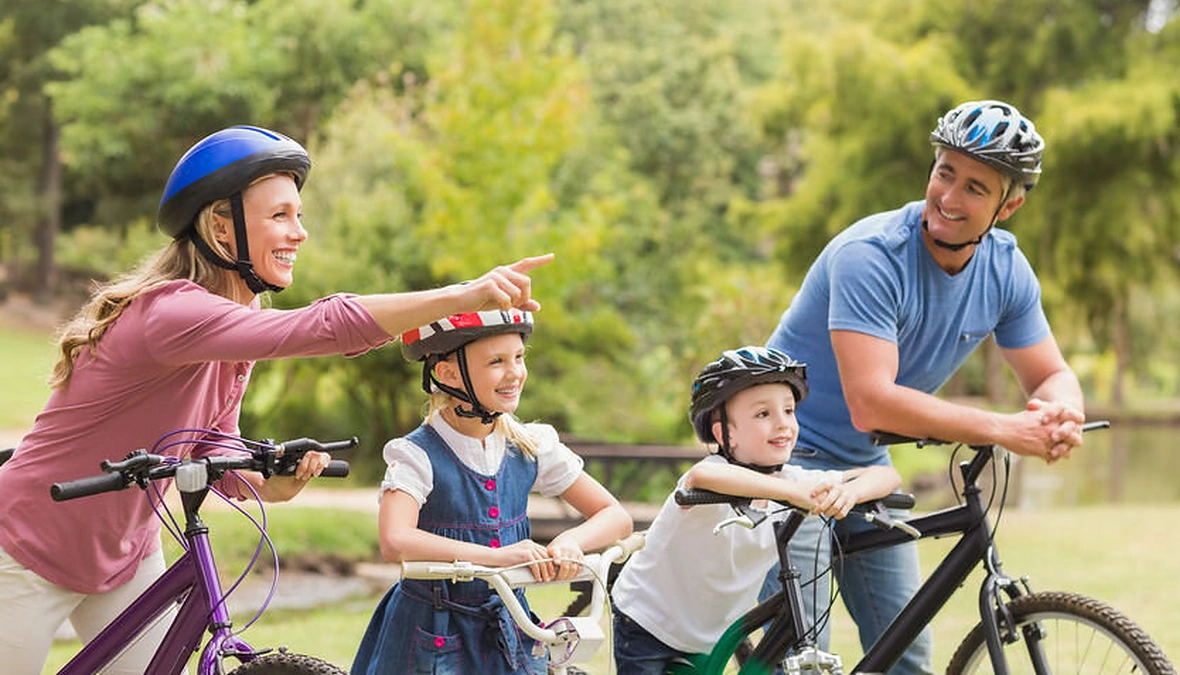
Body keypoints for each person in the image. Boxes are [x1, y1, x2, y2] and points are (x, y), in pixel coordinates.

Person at [0, 124, 553, 675]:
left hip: (123, 556)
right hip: (24, 547)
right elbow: (320, 326)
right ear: (222, 227)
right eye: (280, 215)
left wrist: (269, 484)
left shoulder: (235, 324)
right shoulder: (170, 313)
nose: (299, 233)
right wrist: (462, 297)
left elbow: (209, 443)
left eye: (299, 215)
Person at [762, 100, 1087, 674]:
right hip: (781, 461)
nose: (950, 198)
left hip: (865, 470)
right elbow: (872, 402)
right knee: (801, 661)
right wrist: (1007, 428)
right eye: (945, 173)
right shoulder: (872, 256)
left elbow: (1050, 375)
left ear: (1008, 205)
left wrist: (1062, 415)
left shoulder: (1006, 270)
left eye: (976, 188)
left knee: (905, 658)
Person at [351, 308, 633, 675]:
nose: (515, 371)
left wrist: (572, 542)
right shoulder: (417, 454)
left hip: (508, 631)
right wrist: (496, 557)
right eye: (497, 361)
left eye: (519, 357)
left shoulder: (531, 446)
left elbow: (615, 516)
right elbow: (395, 539)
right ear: (449, 374)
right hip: (430, 637)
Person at [609, 346, 901, 674]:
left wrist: (848, 493)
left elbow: (886, 475)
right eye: (764, 414)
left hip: (711, 633)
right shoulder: (716, 476)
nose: (783, 424)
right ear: (724, 433)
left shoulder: (794, 477)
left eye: (789, 411)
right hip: (649, 623)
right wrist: (793, 493)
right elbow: (703, 475)